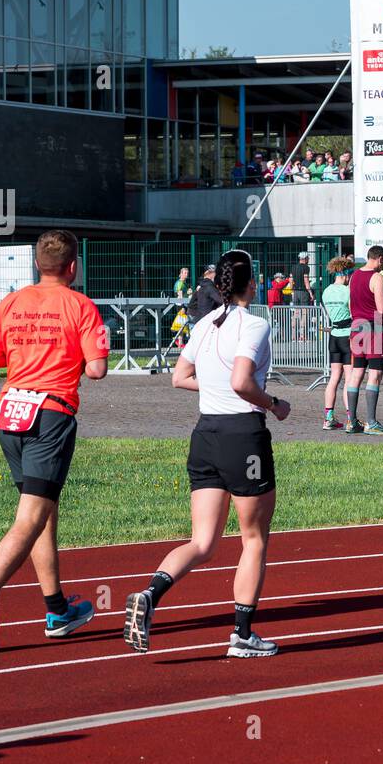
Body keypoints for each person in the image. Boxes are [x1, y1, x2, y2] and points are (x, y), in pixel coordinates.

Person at [122, 250, 291, 659]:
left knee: (202, 542)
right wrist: (273, 403)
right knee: (253, 539)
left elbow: (180, 378)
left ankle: (150, 593)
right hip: (243, 434)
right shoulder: (255, 325)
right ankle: (243, 634)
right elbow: (240, 381)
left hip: (206, 435)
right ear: (252, 284)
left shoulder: (203, 325)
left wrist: (217, 388)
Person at [0, 230, 110, 652]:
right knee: (30, 518)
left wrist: (27, 351)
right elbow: (96, 369)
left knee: (41, 511)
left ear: (36, 265)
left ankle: (57, 607)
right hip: (51, 414)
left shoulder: (12, 302)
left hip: (11, 412)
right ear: (73, 267)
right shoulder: (81, 306)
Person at [346, 246, 383, 435]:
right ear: (380, 259)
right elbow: (381, 309)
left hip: (357, 327)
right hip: (374, 328)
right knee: (374, 375)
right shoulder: (377, 277)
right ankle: (371, 422)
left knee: (356, 374)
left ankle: (352, 421)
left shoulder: (354, 276)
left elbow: (351, 305)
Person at [322, 255, 355, 430]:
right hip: (347, 336)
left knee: (334, 377)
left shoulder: (326, 291)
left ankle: (328, 418)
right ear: (346, 273)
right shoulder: (348, 290)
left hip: (334, 336)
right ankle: (351, 419)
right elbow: (352, 313)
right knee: (349, 379)